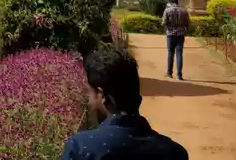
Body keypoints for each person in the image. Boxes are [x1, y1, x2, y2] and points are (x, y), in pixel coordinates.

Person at [60, 46, 188, 159]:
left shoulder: (81, 147)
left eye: (89, 92)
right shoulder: (175, 152)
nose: (89, 99)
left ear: (102, 95)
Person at [161, 0, 190, 80]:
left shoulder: (167, 10)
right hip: (181, 34)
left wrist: (167, 27)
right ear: (177, 2)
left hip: (170, 34)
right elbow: (188, 24)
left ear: (171, 3)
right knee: (179, 54)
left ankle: (169, 73)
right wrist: (184, 30)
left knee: (170, 53)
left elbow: (164, 23)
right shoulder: (184, 11)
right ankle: (179, 75)